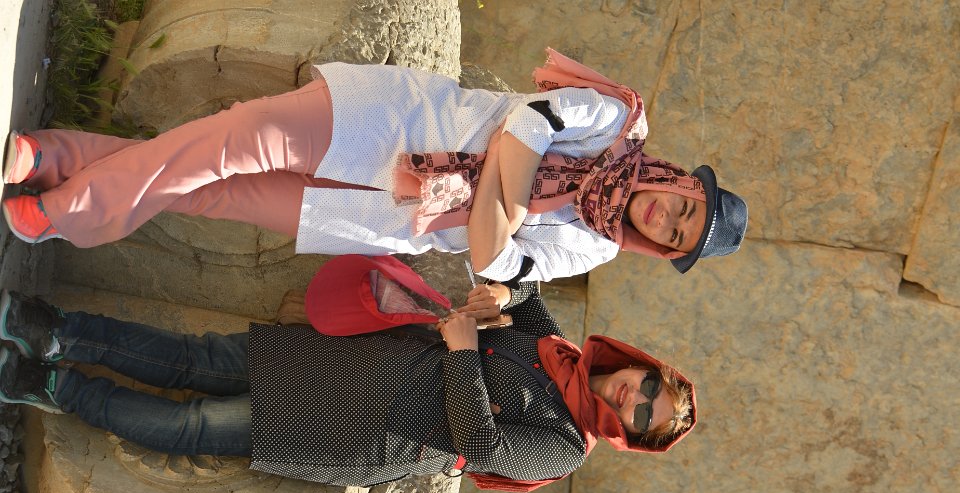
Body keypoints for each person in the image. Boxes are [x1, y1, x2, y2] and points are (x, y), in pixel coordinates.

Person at [1, 49, 747, 283]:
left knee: (210, 192)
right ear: (683, 181)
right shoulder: (619, 121)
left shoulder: (593, 249)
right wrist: (504, 208)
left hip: (379, 217)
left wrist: (504, 190)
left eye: (675, 236)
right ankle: (67, 210)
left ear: (661, 250)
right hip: (386, 122)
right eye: (685, 206)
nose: (666, 217)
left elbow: (493, 263)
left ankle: (58, 158)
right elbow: (529, 123)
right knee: (229, 142)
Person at [0, 280, 697, 491]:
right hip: (357, 362)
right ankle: (57, 332)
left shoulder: (566, 448)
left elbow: (480, 444)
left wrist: (464, 352)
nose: (632, 398)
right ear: (640, 365)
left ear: (632, 437)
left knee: (195, 424)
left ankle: (54, 388)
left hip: (368, 433)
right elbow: (527, 287)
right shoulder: (561, 349)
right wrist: (504, 295)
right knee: (197, 358)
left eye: (644, 415)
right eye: (648, 387)